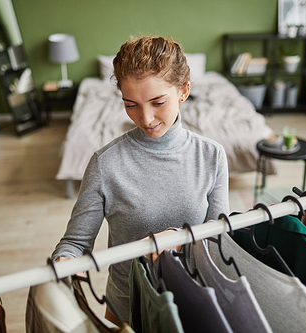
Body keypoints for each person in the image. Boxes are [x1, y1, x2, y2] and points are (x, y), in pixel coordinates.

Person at [52, 35, 230, 325]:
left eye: (157, 102)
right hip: (127, 311)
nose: (146, 118)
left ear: (184, 91)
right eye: (131, 104)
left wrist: (179, 240)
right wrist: (64, 262)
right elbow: (74, 243)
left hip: (194, 305)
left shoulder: (212, 156)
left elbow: (220, 241)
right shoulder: (105, 163)